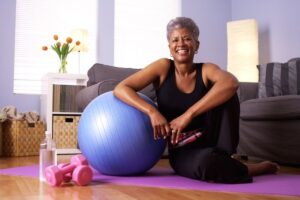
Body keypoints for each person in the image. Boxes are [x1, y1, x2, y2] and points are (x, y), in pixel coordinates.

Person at [114, 16, 279, 183]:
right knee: (207, 164)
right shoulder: (163, 67)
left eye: (187, 39)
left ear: (196, 45)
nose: (181, 44)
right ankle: (249, 168)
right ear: (170, 47)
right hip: (184, 151)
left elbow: (231, 82)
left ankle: (226, 159)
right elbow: (121, 88)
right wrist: (152, 111)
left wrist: (188, 115)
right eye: (175, 40)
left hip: (215, 142)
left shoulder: (206, 70)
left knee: (227, 91)